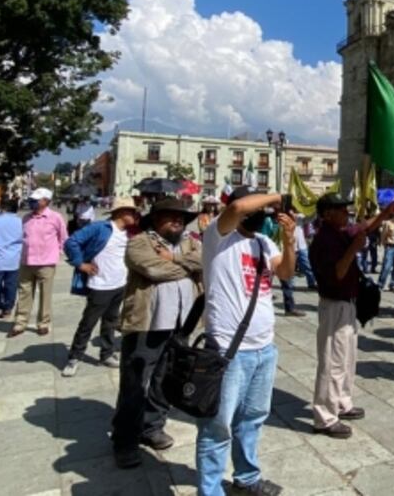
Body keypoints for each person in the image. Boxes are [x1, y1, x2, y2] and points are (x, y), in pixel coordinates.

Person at [196, 187, 296, 496]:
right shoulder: (218, 236)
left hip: (264, 348)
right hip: (228, 350)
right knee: (218, 425)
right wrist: (276, 195)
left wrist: (289, 239)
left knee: (252, 418)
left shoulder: (263, 242)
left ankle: (247, 476)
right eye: (257, 210)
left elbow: (287, 273)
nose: (259, 216)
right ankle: (210, 490)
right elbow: (238, 207)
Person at [112, 198, 201, 469]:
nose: (178, 221)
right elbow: (152, 268)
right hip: (147, 323)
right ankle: (125, 440)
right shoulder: (140, 241)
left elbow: (205, 262)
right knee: (136, 381)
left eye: (181, 217)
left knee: (166, 378)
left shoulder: (190, 242)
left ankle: (152, 427)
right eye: (170, 216)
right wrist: (187, 267)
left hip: (182, 322)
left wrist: (175, 259)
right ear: (156, 219)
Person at [309, 193, 394, 439]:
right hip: (334, 304)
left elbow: (365, 227)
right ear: (327, 214)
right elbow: (337, 273)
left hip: (348, 304)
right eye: (340, 209)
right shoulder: (323, 240)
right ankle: (324, 416)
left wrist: (386, 213)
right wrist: (354, 250)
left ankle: (342, 402)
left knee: (347, 359)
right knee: (332, 362)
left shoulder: (339, 233)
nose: (346, 213)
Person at [61, 197, 140, 377]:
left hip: (119, 284)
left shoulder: (129, 233)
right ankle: (75, 357)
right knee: (88, 323)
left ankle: (106, 353)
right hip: (100, 285)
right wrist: (80, 264)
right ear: (121, 213)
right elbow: (71, 242)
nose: (135, 215)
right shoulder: (100, 228)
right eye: (132, 212)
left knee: (111, 322)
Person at [7, 188, 67, 337]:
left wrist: (58, 252)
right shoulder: (26, 218)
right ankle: (20, 323)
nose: (32, 202)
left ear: (46, 201)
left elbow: (63, 238)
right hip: (27, 261)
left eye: (36, 200)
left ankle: (43, 323)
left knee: (45, 294)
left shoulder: (55, 217)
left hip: (46, 262)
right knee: (24, 292)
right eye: (32, 200)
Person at [277, 213, 314, 317]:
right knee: (287, 281)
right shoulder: (280, 217)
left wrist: (313, 208)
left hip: (297, 247)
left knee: (289, 280)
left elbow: (310, 217)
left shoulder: (299, 217)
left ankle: (290, 307)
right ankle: (289, 307)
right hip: (283, 251)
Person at [378, 209, 394, 317]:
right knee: (386, 266)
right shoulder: (388, 223)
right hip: (390, 247)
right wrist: (383, 244)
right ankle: (381, 283)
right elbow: (383, 235)